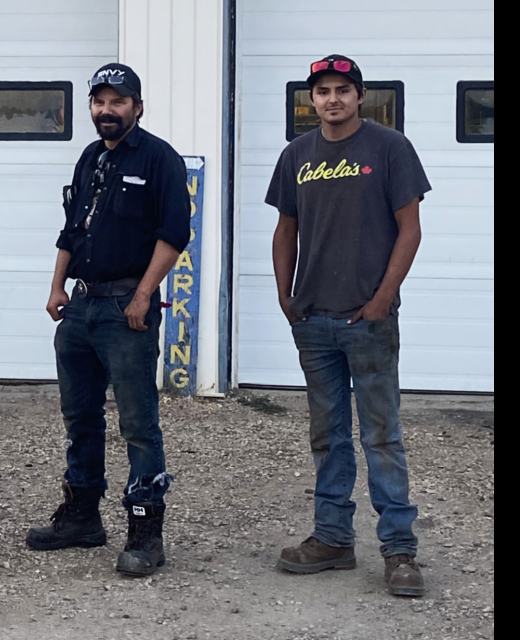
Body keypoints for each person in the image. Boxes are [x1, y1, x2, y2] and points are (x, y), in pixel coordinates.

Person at [266, 55, 431, 597]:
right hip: (313, 320)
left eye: (342, 90)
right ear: (310, 101)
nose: (332, 99)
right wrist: (286, 297)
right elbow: (284, 229)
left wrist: (384, 298)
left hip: (368, 320)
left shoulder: (388, 148)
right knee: (328, 437)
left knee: (381, 435)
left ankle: (400, 550)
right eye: (322, 92)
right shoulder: (297, 155)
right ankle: (333, 539)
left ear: (360, 96)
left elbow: (410, 228)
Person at [25, 63, 190, 577]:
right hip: (81, 305)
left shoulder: (159, 159)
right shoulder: (90, 157)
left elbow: (174, 234)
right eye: (99, 102)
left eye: (118, 101)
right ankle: (81, 517)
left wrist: (143, 296)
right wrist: (57, 286)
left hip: (126, 310)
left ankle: (145, 531)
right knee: (80, 418)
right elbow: (71, 229)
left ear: (137, 107)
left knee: (139, 425)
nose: (107, 110)